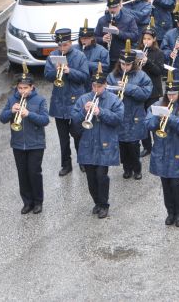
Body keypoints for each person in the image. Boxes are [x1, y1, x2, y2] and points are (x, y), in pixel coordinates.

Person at [71, 64, 125, 218]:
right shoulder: (83, 99)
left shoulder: (114, 100)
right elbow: (74, 120)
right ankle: (97, 202)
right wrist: (83, 111)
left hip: (105, 143)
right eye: (94, 85)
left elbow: (118, 119)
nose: (96, 89)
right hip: (87, 143)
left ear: (106, 85)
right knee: (90, 178)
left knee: (101, 176)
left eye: (99, 86)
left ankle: (104, 204)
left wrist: (100, 112)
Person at [0, 65, 49, 214]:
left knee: (34, 172)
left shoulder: (40, 100)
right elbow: (2, 118)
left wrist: (29, 114)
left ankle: (38, 201)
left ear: (32, 87)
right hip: (18, 143)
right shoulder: (11, 99)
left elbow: (45, 120)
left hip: (36, 143)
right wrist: (10, 111)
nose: (22, 91)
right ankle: (27, 202)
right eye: (20, 88)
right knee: (22, 173)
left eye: (25, 88)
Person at [148, 70, 179, 227]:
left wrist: (171, 118)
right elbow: (147, 124)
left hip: (177, 151)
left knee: (176, 183)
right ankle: (170, 212)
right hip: (161, 150)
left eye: (174, 94)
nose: (171, 97)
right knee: (165, 184)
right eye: (169, 94)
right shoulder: (157, 104)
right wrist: (157, 118)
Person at [45, 27, 90, 176]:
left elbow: (84, 77)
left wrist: (69, 71)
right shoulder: (53, 55)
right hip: (59, 102)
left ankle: (82, 161)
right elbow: (47, 76)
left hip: (76, 101)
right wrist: (55, 71)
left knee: (78, 134)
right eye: (60, 45)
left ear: (70, 42)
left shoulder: (80, 56)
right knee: (63, 139)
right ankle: (66, 164)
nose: (62, 48)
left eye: (65, 45)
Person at [109, 42, 152, 180]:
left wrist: (128, 88)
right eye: (122, 64)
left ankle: (137, 168)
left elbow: (146, 94)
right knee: (122, 145)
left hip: (135, 114)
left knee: (133, 145)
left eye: (128, 65)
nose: (125, 67)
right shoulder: (112, 76)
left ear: (133, 63)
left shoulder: (141, 76)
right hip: (120, 115)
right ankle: (126, 168)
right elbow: (107, 95)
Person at [95, 0, 140, 71]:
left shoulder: (129, 19)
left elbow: (135, 36)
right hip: (106, 58)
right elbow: (94, 38)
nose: (112, 10)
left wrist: (119, 33)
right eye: (110, 7)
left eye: (115, 7)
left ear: (120, 5)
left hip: (122, 58)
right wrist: (102, 39)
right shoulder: (102, 20)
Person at [139, 19, 165, 157]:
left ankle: (158, 145)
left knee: (154, 119)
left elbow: (158, 71)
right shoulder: (139, 51)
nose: (146, 42)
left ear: (154, 39)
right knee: (143, 120)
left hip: (153, 91)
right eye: (144, 39)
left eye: (149, 39)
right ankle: (147, 146)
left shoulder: (158, 53)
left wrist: (147, 62)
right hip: (141, 90)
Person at [77, 19, 110, 90]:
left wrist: (86, 63)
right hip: (77, 82)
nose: (83, 41)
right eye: (81, 38)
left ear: (92, 38)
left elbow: (105, 67)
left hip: (93, 83)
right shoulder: (74, 49)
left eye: (86, 38)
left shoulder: (102, 50)